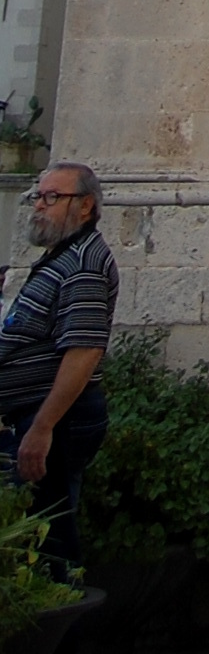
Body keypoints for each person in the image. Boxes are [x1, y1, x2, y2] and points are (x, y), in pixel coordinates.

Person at [0, 164, 118, 566]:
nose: (40, 206)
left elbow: (83, 352)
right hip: (34, 415)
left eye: (53, 197)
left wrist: (42, 428)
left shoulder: (83, 263)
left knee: (46, 542)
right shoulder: (61, 257)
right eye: (39, 196)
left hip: (58, 419)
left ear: (85, 206)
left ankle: (58, 621)